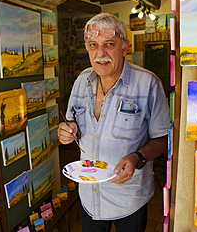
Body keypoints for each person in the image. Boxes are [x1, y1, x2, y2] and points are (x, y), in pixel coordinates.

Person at [58, 13, 170, 232]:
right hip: (89, 196)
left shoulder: (148, 83)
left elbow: (163, 138)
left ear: (124, 47)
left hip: (128, 198)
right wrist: (66, 131)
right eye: (93, 45)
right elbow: (71, 122)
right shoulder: (82, 81)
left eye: (109, 44)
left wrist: (137, 157)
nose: (101, 54)